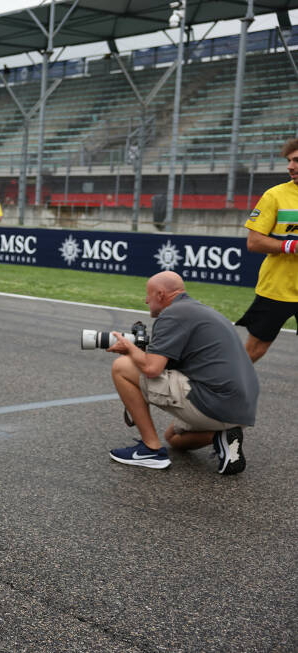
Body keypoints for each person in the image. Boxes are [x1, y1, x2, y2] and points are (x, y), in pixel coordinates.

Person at [106, 271, 258, 474]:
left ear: (160, 294)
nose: (145, 300)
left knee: (122, 367)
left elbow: (152, 368)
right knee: (174, 439)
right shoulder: (200, 310)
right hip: (240, 410)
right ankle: (222, 435)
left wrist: (129, 349)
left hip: (215, 401)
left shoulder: (173, 314)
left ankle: (150, 451)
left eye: (148, 295)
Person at [236, 137, 298, 363]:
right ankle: (221, 391)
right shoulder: (275, 195)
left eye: (297, 161)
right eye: (289, 161)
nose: (290, 167)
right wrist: (291, 245)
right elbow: (254, 242)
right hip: (277, 288)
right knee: (253, 351)